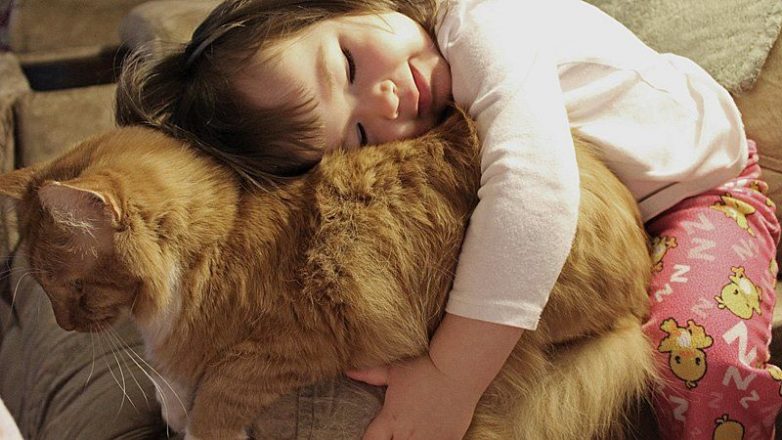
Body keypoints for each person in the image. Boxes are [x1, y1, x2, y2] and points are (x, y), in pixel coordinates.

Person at [115, 0, 782, 438]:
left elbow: (534, 191)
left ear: (353, 3)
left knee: (697, 353)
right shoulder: (425, 103)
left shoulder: (480, 21)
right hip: (618, 211)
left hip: (704, 191)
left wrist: (451, 377)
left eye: (347, 63)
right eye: (359, 134)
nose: (385, 101)